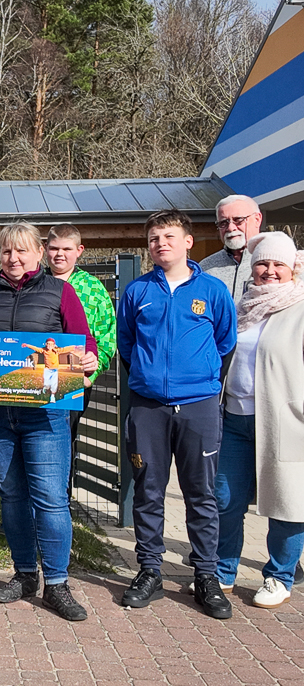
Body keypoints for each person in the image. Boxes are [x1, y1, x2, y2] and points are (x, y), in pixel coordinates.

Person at [0, 222, 98, 621]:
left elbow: (83, 340)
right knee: (12, 496)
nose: (13, 259)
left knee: (51, 499)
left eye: (22, 251)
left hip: (48, 415)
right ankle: (24, 574)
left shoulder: (61, 292)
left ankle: (56, 583)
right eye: (6, 252)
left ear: (39, 254)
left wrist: (87, 359)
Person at [116, 209, 236, 619]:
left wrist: (196, 379)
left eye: (168, 236)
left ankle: (206, 576)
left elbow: (224, 343)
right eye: (153, 238)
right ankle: (149, 570)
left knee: (201, 494)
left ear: (188, 241)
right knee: (148, 490)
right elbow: (127, 344)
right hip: (148, 407)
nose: (160, 244)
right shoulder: (136, 292)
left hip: (199, 406)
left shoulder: (214, 291)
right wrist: (151, 380)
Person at [213, 232, 304, 608]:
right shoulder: (242, 306)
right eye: (262, 263)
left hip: (286, 420)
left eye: (277, 264)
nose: (269, 271)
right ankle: (222, 572)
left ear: (291, 269)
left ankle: (279, 576)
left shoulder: (299, 307)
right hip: (234, 418)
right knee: (225, 500)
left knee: (286, 500)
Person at [44, 224, 116, 496]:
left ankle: (62, 498)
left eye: (66, 249)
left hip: (76, 381)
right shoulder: (34, 282)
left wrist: (91, 372)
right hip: (39, 378)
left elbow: (107, 335)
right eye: (54, 249)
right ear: (45, 250)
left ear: (79, 251)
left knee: (65, 438)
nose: (59, 255)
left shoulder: (92, 289)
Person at [199, 195, 263, 305]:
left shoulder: (280, 264)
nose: (230, 228)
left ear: (257, 219)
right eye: (223, 223)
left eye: (238, 220)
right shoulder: (206, 268)